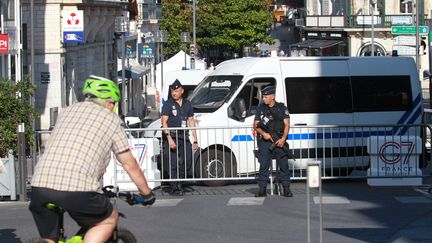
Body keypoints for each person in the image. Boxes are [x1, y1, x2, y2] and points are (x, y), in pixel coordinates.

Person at [29, 76, 155, 243]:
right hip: (77, 188)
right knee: (108, 219)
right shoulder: (111, 120)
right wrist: (146, 193)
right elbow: (128, 163)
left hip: (39, 185)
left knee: (50, 239)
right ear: (110, 103)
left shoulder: (67, 112)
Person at [253, 85, 293, 197]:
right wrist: (264, 134)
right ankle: (262, 189)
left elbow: (287, 124)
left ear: (272, 96)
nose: (263, 98)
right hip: (266, 142)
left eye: (265, 96)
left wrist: (283, 139)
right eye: (263, 96)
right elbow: (256, 125)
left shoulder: (281, 108)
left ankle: (286, 189)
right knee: (264, 165)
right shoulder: (261, 108)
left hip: (279, 140)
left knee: (284, 165)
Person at [161, 79, 198, 195]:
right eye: (172, 91)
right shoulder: (168, 104)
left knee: (187, 161)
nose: (174, 93)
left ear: (181, 91)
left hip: (184, 136)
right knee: (172, 162)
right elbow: (164, 122)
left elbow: (191, 121)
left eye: (176, 91)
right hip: (172, 136)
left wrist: (195, 139)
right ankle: (174, 186)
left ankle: (180, 182)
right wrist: (169, 139)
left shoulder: (187, 103)